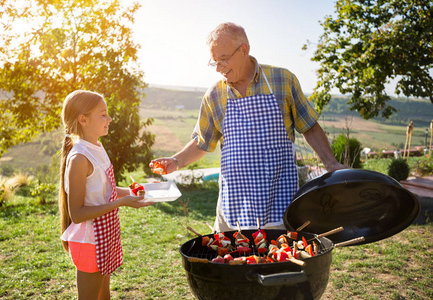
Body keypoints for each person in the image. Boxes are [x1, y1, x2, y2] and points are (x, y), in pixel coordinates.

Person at [150, 22, 345, 233]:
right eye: (214, 62)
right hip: (233, 204)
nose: (218, 67)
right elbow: (202, 143)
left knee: (279, 261)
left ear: (244, 50)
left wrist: (332, 164)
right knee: (230, 260)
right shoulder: (214, 95)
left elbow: (309, 126)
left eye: (223, 59)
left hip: (279, 199)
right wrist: (175, 161)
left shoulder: (282, 80)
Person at [59, 90, 153, 299]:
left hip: (104, 235)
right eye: (103, 114)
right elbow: (78, 214)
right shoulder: (79, 158)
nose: (109, 119)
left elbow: (106, 191)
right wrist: (123, 202)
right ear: (83, 120)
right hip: (89, 240)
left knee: (105, 295)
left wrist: (139, 192)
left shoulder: (97, 147)